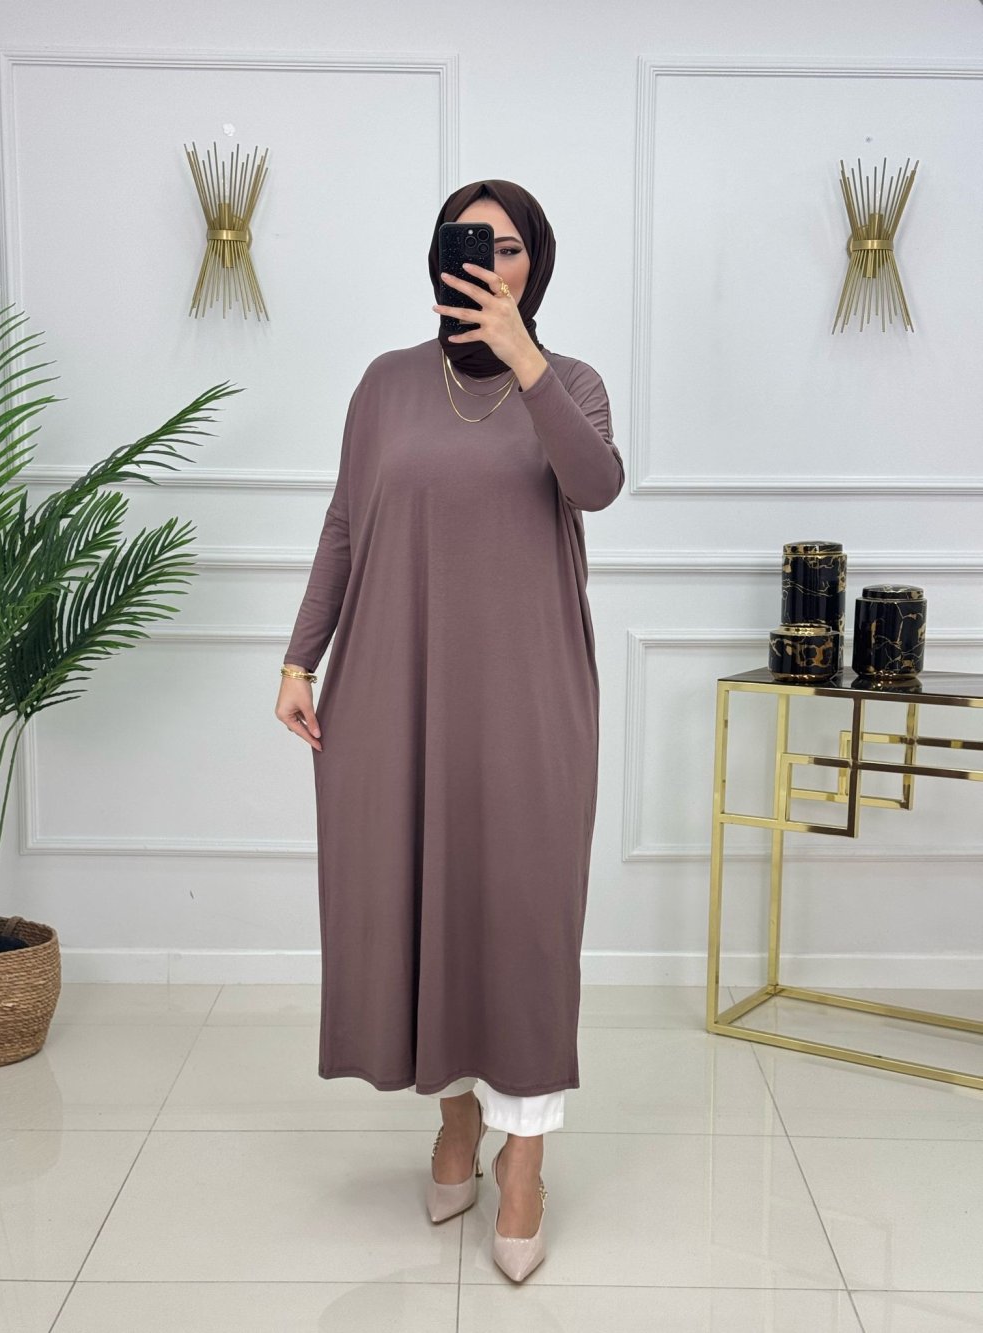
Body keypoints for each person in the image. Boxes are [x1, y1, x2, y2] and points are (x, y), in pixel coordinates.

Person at [275, 178, 624, 1282]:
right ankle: (458, 1119)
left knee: (522, 920)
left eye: (509, 247)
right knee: (422, 907)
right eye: (469, 244)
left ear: (537, 264)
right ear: (437, 260)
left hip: (529, 699)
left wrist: (525, 360)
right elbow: (345, 522)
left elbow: (597, 486)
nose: (487, 261)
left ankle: (525, 1160)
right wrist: (300, 656)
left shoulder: (571, 382)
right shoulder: (385, 385)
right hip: (397, 685)